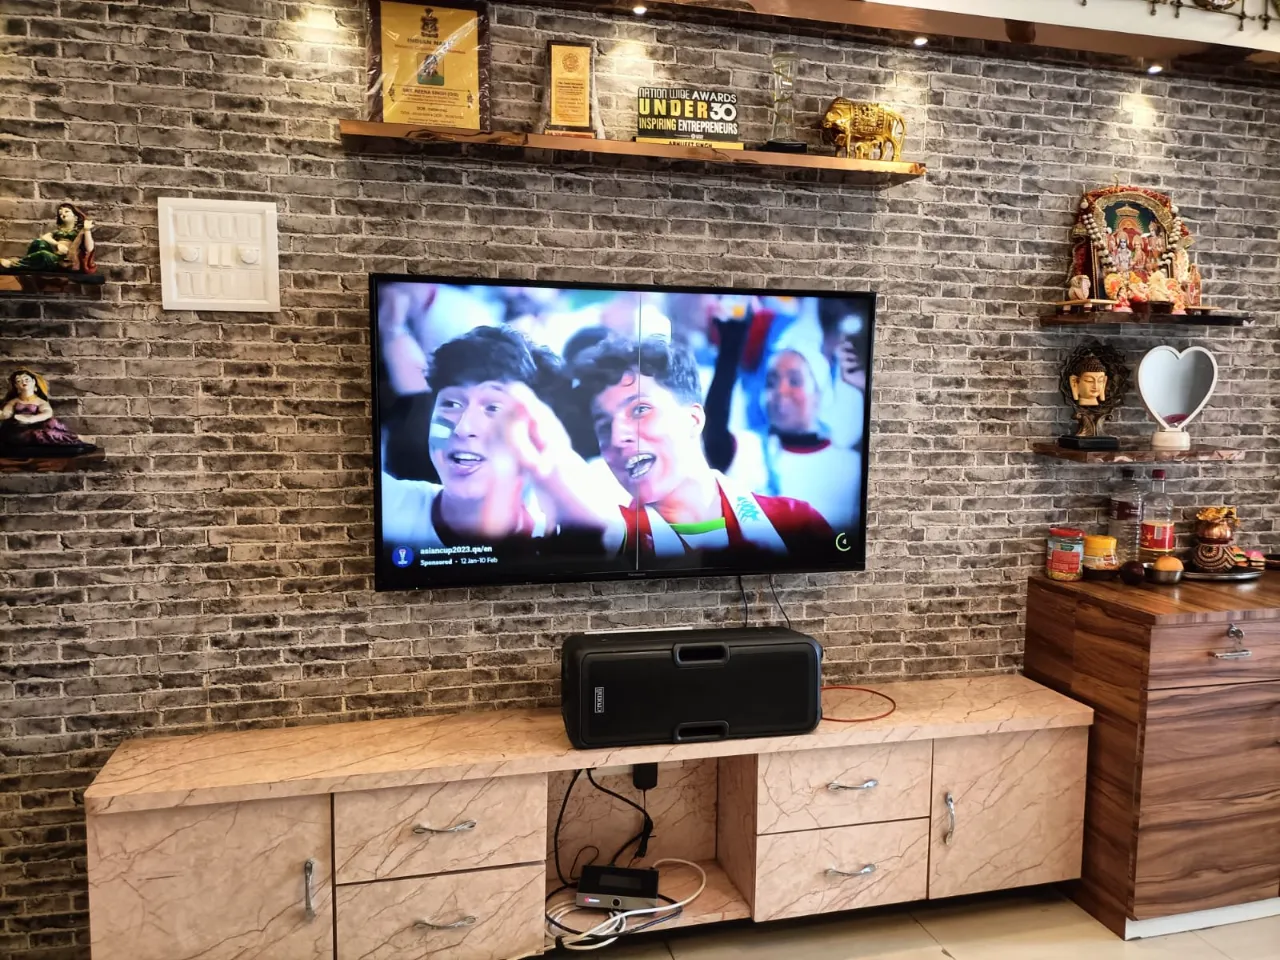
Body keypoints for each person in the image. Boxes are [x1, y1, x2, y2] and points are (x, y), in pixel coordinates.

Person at [572, 336, 833, 562]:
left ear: (694, 420)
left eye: (640, 410)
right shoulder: (609, 544)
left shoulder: (797, 525)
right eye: (604, 426)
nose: (617, 437)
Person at [381, 326, 617, 553]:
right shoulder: (385, 507)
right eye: (450, 404)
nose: (463, 428)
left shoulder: (563, 535)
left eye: (493, 407)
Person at [0, 369, 96, 456]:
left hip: (36, 424)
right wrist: (5, 414)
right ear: (16, 386)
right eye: (19, 381)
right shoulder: (14, 402)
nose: (23, 382)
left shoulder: (40, 401)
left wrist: (31, 419)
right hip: (19, 430)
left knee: (52, 423)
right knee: (38, 434)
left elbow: (47, 413)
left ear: (34, 382)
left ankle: (74, 438)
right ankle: (75, 438)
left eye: (26, 379)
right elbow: (6, 413)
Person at [0, 203, 95, 273]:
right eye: (60, 213)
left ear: (76, 217)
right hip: (56, 254)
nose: (63, 214)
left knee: (44, 254)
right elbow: (45, 237)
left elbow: (89, 248)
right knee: (38, 242)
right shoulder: (58, 231)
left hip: (66, 261)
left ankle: (14, 264)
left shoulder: (79, 232)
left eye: (66, 211)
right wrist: (57, 244)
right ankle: (31, 264)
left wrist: (87, 230)